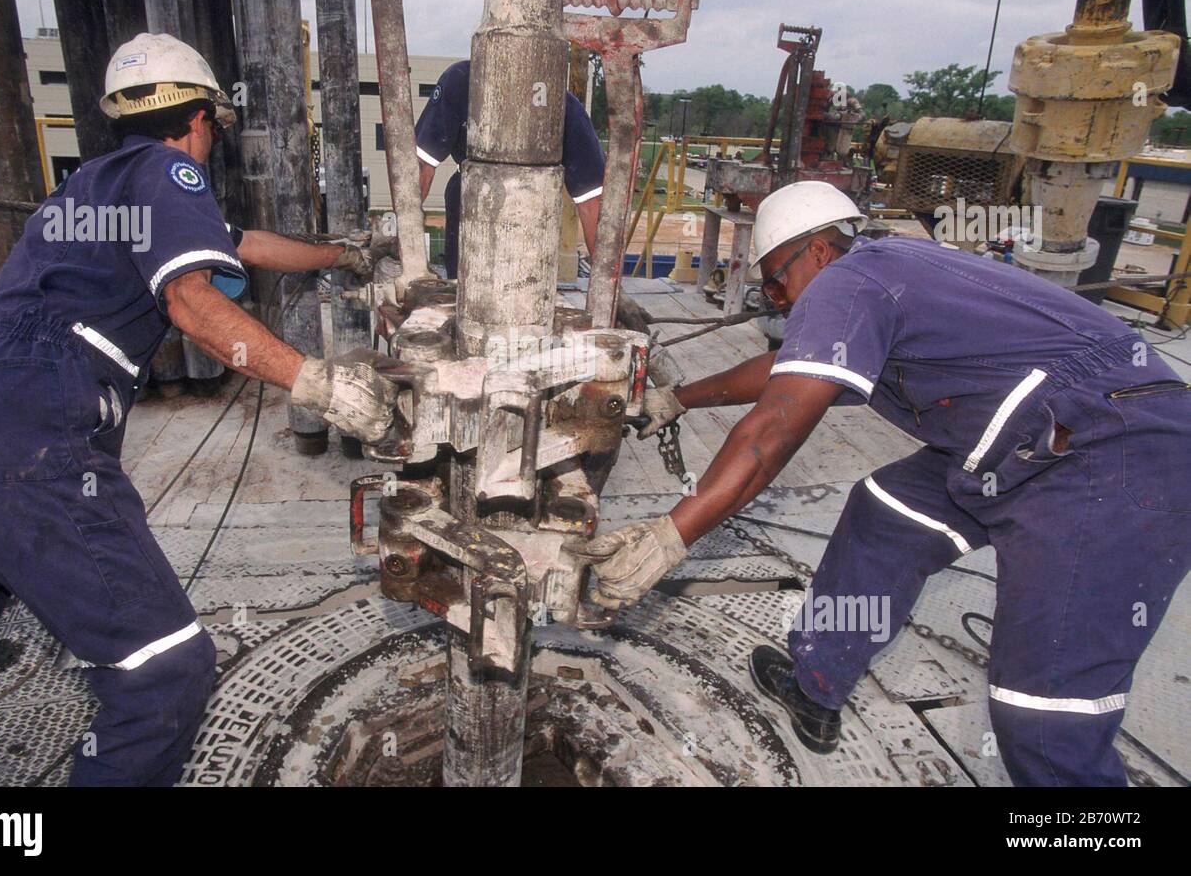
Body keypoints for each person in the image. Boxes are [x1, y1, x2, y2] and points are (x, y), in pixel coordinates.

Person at [0, 33, 399, 786]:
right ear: (200, 119)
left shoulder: (92, 186)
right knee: (164, 673)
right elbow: (192, 301)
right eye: (213, 131)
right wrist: (323, 385)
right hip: (25, 431)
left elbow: (247, 243)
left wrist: (347, 254)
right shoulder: (171, 172)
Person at [576, 180, 1190, 786]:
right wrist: (677, 399)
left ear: (817, 249)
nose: (775, 300)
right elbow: (782, 368)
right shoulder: (881, 278)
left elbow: (771, 432)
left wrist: (671, 535)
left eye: (776, 280)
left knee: (1045, 713)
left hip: (1113, 452)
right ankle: (817, 683)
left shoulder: (852, 278)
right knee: (888, 513)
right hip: (1019, 447)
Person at [414, 59, 605, 277]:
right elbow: (422, 165)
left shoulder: (562, 105)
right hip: (468, 202)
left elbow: (592, 202)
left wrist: (605, 286)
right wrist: (406, 243)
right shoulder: (461, 81)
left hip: (533, 217)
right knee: (462, 290)